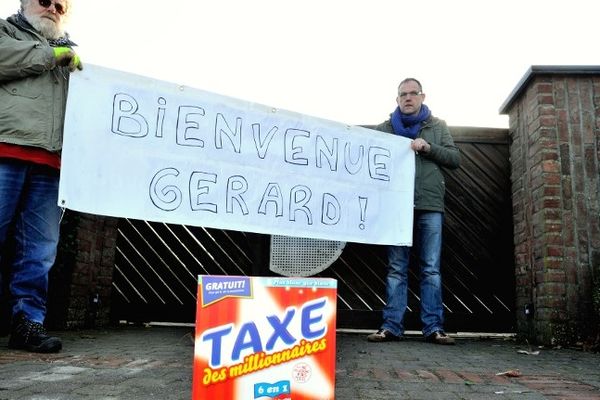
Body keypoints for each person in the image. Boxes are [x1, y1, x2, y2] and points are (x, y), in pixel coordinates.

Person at [0, 0, 82, 353]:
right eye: (45, 0)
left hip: (52, 164)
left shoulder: (74, 56)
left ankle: (28, 323)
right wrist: (54, 56)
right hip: (6, 150)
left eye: (62, 5)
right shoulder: (5, 32)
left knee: (40, 252)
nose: (53, 7)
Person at [367, 78, 460, 345]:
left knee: (431, 269)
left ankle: (434, 328)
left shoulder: (437, 126)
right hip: (397, 207)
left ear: (422, 96)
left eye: (413, 93)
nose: (408, 98)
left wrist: (428, 148)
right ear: (397, 100)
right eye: (402, 94)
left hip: (430, 205)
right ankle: (391, 327)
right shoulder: (384, 129)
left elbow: (455, 159)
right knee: (396, 268)